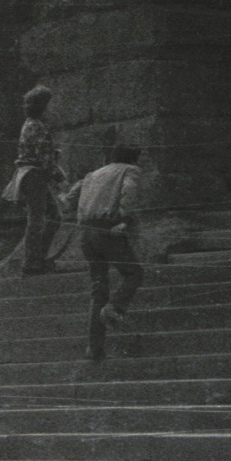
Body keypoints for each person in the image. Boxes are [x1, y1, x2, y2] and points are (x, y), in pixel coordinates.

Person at [61, 144, 146, 363]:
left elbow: (69, 198)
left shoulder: (92, 175)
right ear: (133, 159)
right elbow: (129, 192)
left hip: (86, 234)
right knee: (134, 273)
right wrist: (125, 219)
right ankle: (116, 306)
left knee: (99, 289)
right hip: (108, 229)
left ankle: (94, 349)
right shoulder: (129, 171)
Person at [2, 86, 62, 276]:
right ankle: (32, 263)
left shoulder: (32, 124)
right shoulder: (36, 125)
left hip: (31, 173)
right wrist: (59, 177)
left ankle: (37, 259)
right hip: (34, 174)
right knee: (38, 219)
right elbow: (43, 156)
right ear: (44, 105)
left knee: (50, 217)